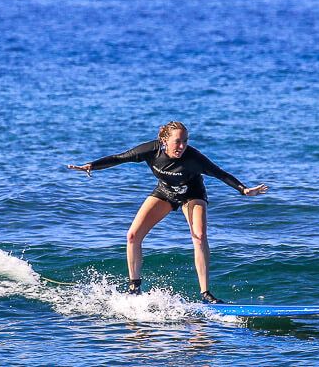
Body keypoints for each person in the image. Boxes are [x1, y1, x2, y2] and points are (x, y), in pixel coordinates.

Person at [68, 121, 268, 303]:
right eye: (177, 141)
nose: (182, 146)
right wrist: (92, 166)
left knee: (198, 236)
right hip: (165, 192)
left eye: (185, 141)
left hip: (192, 194)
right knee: (132, 236)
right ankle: (134, 288)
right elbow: (120, 158)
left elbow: (219, 173)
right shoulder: (150, 150)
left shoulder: (193, 158)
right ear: (164, 140)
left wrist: (243, 189)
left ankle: (206, 293)